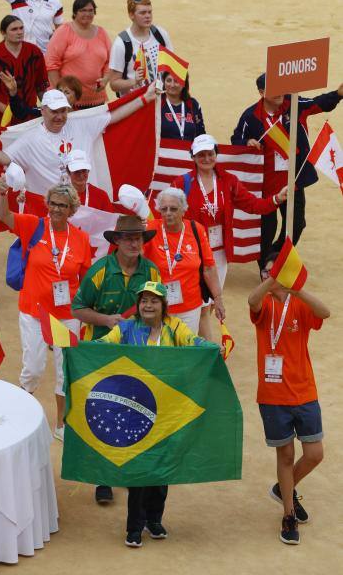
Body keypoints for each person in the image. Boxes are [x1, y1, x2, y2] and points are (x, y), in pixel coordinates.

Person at [97, 281, 218, 547]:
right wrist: (78, 348)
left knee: (162, 469)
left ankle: (154, 520)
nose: (148, 306)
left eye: (154, 301)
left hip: (167, 412)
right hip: (135, 412)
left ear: (164, 306)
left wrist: (211, 347)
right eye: (143, 301)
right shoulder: (126, 328)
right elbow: (103, 346)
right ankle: (134, 527)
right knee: (140, 470)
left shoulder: (175, 327)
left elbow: (193, 341)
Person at [71, 214, 160, 505]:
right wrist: (107, 321)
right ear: (117, 242)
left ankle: (131, 468)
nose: (135, 243)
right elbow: (78, 308)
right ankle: (103, 477)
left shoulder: (152, 272)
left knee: (137, 408)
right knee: (104, 412)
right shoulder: (100, 271)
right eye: (129, 238)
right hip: (104, 352)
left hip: (139, 353)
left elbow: (160, 309)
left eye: (139, 238)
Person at [0, 178, 91, 438]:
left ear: (72, 209)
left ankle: (61, 424)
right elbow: (3, 215)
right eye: (52, 204)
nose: (56, 209)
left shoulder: (81, 239)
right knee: (34, 367)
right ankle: (20, 416)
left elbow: (84, 280)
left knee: (64, 371)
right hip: (34, 312)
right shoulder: (34, 225)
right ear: (47, 204)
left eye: (63, 205)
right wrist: (3, 193)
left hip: (65, 316)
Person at [247, 258, 330, 545]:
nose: (276, 276)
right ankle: (288, 515)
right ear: (264, 275)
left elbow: (325, 312)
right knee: (284, 456)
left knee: (315, 453)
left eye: (281, 270)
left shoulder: (298, 304)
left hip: (305, 391)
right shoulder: (263, 303)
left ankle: (284, 488)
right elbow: (252, 299)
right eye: (270, 271)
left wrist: (297, 290)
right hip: (273, 396)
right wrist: (273, 281)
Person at [231, 73, 343, 266]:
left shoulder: (294, 104)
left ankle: (275, 257)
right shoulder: (251, 116)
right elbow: (235, 140)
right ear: (261, 92)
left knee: (297, 224)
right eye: (274, 89)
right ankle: (264, 269)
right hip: (266, 183)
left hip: (294, 179)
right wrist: (246, 141)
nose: (280, 93)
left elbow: (317, 103)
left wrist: (338, 94)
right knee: (267, 228)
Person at [0, 83, 158, 197]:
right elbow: (6, 158)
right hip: (55, 209)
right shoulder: (30, 139)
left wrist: (145, 98)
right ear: (43, 111)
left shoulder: (81, 124)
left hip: (86, 203)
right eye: (54, 111)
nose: (60, 116)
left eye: (63, 111)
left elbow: (114, 116)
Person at [172, 134, 288, 287]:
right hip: (192, 249)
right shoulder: (181, 183)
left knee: (214, 297)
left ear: (216, 154)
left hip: (219, 252)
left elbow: (253, 205)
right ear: (193, 157)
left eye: (210, 154)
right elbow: (169, 214)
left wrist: (277, 199)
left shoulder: (229, 181)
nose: (206, 158)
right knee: (195, 296)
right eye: (201, 154)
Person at [143, 187, 224, 339]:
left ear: (183, 210)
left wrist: (218, 298)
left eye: (173, 209)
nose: (168, 213)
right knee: (158, 348)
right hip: (156, 304)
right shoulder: (150, 229)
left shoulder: (196, 229)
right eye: (164, 209)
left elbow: (208, 267)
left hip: (190, 306)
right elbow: (136, 259)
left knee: (184, 348)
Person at [0, 14, 48, 125]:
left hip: (29, 118)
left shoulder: (35, 53)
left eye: (21, 28)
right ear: (3, 33)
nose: (19, 32)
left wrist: (49, 108)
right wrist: (7, 111)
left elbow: (41, 87)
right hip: (1, 120)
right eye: (14, 29)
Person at [45, 0, 111, 108]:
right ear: (75, 12)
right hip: (69, 102)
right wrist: (60, 95)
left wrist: (105, 79)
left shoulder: (102, 33)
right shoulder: (64, 31)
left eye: (91, 10)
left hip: (97, 99)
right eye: (83, 10)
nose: (87, 14)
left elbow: (110, 62)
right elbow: (51, 65)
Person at [108, 0, 173, 95]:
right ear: (131, 15)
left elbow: (171, 67)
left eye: (150, 12)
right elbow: (114, 84)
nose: (148, 16)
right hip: (135, 105)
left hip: (161, 100)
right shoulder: (121, 43)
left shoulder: (160, 34)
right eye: (142, 13)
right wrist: (134, 81)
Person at [160, 73, 205, 141]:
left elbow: (201, 134)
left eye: (176, 81)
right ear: (164, 82)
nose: (172, 85)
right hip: (163, 151)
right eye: (169, 80)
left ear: (184, 83)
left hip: (189, 150)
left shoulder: (193, 104)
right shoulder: (157, 103)